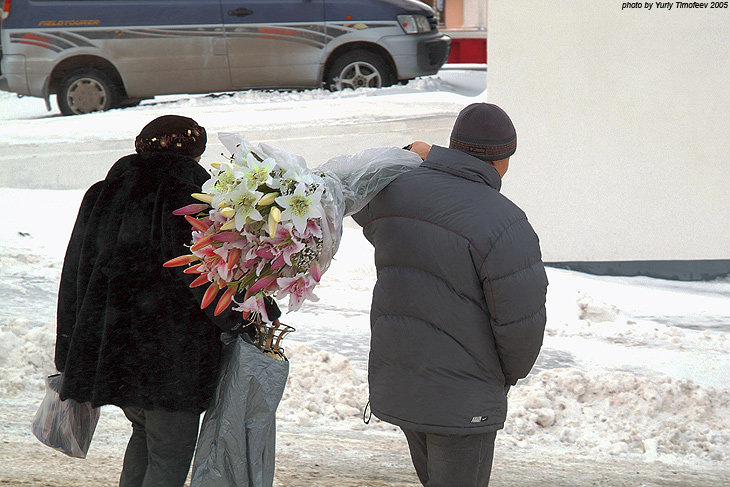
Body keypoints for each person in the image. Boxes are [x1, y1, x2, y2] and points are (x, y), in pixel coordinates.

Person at [54, 115, 281, 487]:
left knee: (144, 437)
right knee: (169, 455)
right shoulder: (188, 195)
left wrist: (69, 351)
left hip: (113, 350)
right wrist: (246, 310)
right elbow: (202, 273)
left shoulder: (103, 193)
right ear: (194, 151)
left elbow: (75, 272)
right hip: (168, 358)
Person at [353, 103, 548, 486]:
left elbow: (357, 193)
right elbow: (521, 324)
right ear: (504, 159)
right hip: (463, 398)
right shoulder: (505, 222)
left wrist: (410, 152)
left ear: (454, 145)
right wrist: (504, 376)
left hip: (404, 380)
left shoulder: (394, 194)